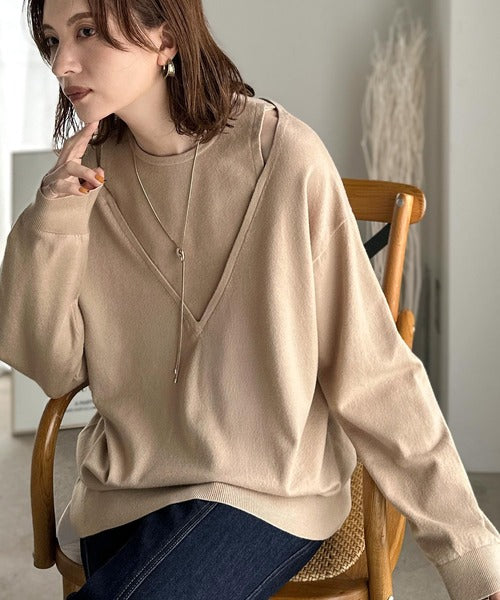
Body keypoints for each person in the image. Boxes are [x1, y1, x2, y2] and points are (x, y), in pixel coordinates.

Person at [0, 0, 498, 598]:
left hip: (264, 494)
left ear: (165, 38)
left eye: (86, 31)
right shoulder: (84, 185)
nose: (62, 63)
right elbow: (54, 369)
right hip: (126, 493)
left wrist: (470, 553)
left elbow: (374, 374)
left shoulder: (283, 157)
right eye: (53, 40)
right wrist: (51, 224)